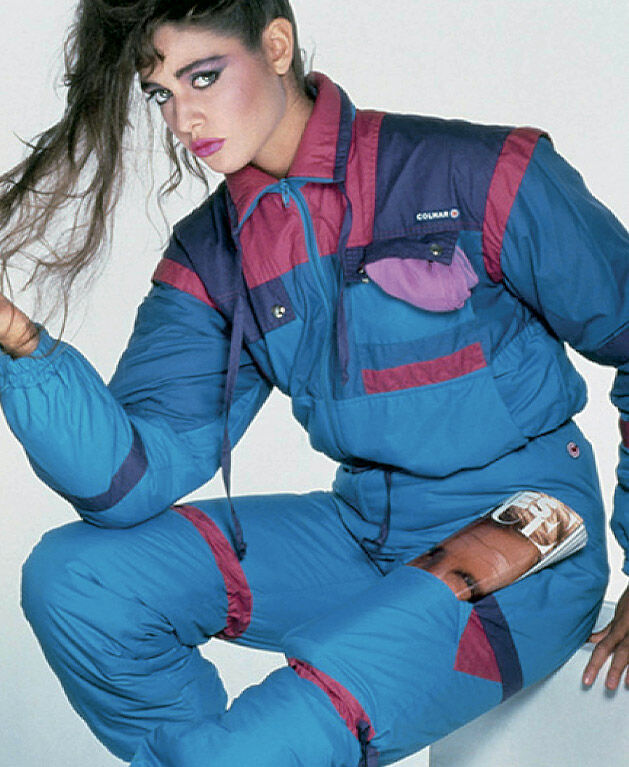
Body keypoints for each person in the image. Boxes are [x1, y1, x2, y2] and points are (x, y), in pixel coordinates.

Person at [1, 1, 628, 765]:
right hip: (361, 533)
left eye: (203, 76)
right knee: (77, 579)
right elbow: (127, 481)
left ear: (276, 46)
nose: (182, 118)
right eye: (161, 93)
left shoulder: (478, 173)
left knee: (239, 753)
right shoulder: (211, 252)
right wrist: (25, 349)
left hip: (527, 533)